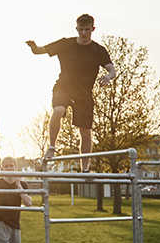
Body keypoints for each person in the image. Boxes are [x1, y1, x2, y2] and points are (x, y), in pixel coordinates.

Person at [26, 14, 117, 167]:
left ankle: (85, 168)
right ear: (76, 28)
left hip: (84, 93)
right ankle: (52, 147)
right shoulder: (65, 44)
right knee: (58, 110)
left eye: (87, 30)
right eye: (80, 30)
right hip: (63, 87)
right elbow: (40, 51)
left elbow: (112, 70)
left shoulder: (98, 50)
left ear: (93, 29)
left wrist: (108, 77)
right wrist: (33, 47)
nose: (83, 33)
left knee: (85, 131)